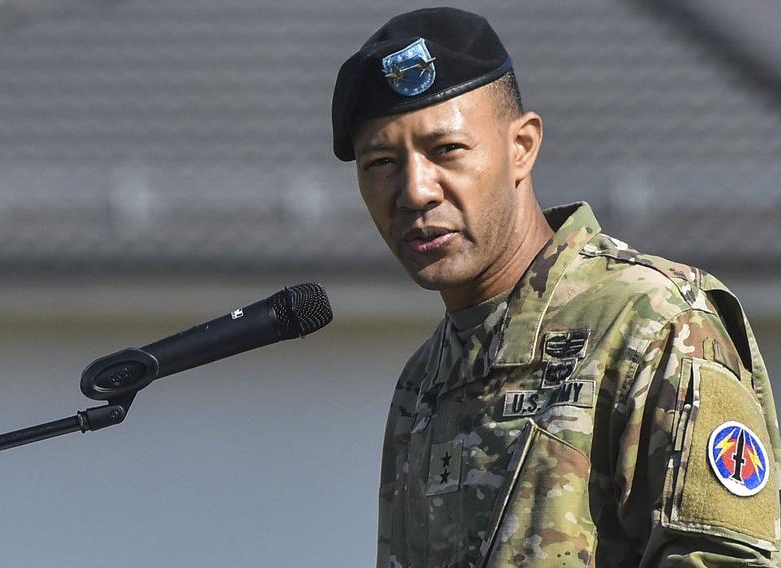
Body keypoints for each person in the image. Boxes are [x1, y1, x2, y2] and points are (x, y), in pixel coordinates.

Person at [331, 7, 781, 567]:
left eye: (447, 151)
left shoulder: (650, 323)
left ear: (522, 147)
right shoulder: (424, 382)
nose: (415, 190)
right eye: (381, 162)